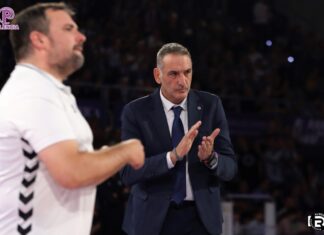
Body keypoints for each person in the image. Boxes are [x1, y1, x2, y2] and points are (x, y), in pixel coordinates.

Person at [0, 2, 144, 235]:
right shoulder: (32, 92)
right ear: (39, 40)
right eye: (69, 29)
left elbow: (75, 163)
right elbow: (72, 171)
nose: (81, 37)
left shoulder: (48, 90)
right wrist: (126, 151)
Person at [120, 42, 237, 235]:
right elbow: (128, 173)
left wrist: (211, 159)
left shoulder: (211, 105)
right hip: (152, 221)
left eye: (187, 72)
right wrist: (172, 157)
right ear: (158, 75)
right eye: (173, 74)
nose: (182, 81)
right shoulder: (136, 112)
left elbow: (230, 168)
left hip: (201, 221)